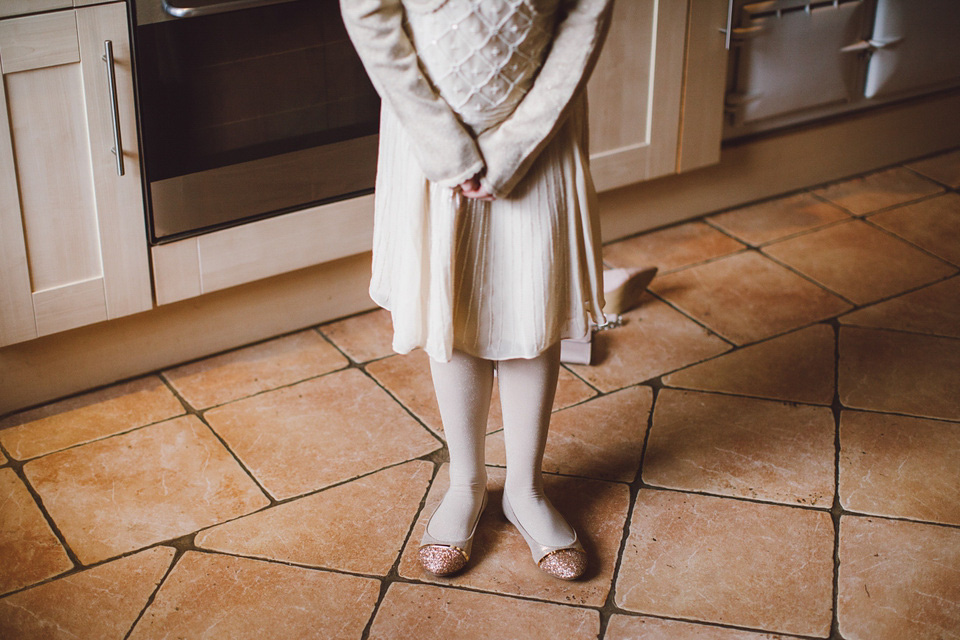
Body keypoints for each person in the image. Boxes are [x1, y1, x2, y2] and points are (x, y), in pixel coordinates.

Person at [340, 0, 613, 580]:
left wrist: (519, 141)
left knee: (534, 294)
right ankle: (465, 481)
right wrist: (444, 145)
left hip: (540, 127)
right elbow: (370, 15)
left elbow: (585, 14)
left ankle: (525, 490)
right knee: (454, 297)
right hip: (429, 131)